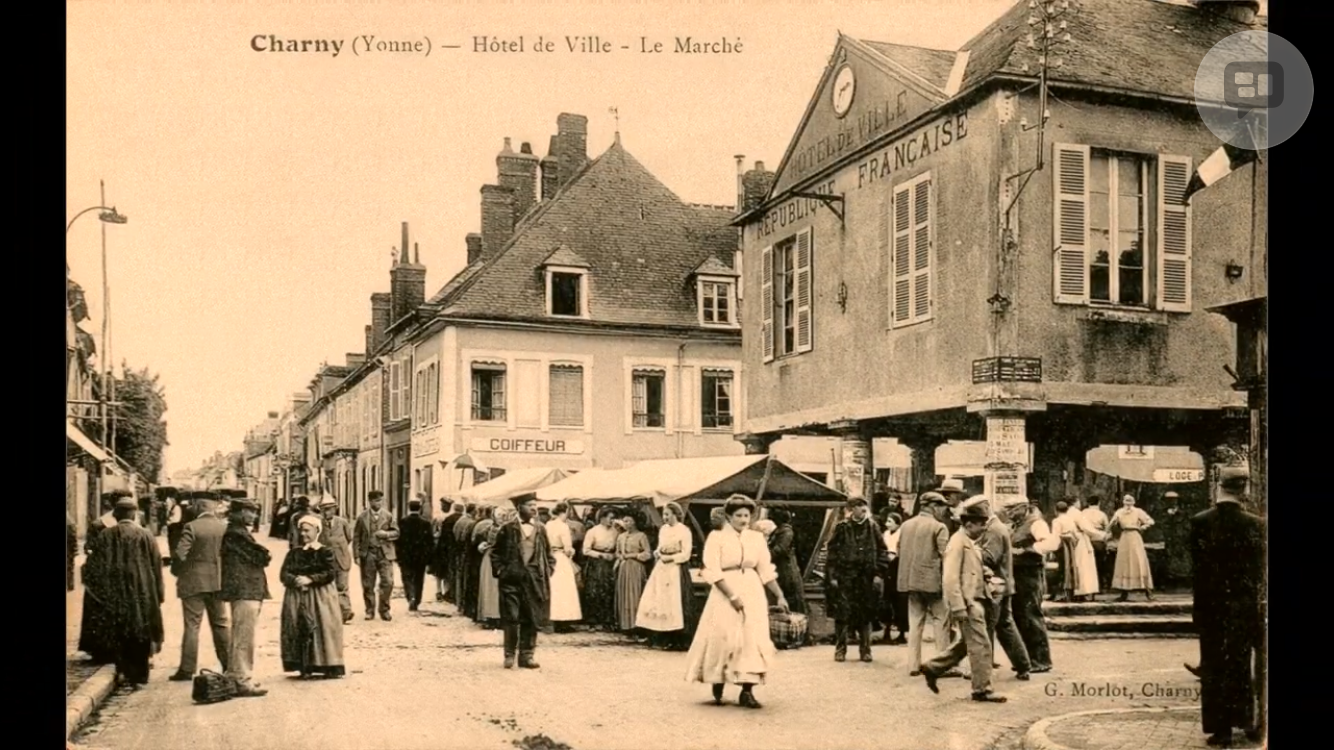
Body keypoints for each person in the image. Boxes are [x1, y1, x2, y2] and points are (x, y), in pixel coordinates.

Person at [685, 494, 788, 709]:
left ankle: (747, 690)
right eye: (739, 515)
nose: (743, 520)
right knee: (723, 635)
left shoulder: (756, 538)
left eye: (747, 515)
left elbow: (765, 569)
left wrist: (779, 594)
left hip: (752, 589)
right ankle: (718, 679)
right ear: (729, 517)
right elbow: (711, 570)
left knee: (751, 638)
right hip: (725, 589)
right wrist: (731, 596)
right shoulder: (717, 537)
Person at [1190, 467, 1265, 747]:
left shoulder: (1200, 522)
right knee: (1240, 664)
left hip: (1210, 606)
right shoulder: (1256, 524)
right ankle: (1246, 721)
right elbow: (1258, 571)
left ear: (1218, 488)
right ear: (1243, 491)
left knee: (1212, 667)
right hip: (1242, 605)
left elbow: (1197, 572)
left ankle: (1219, 730)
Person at [921, 497, 1006, 703]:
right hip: (968, 602)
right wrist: (958, 606)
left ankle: (934, 667)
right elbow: (950, 578)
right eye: (980, 525)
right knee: (981, 645)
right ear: (969, 524)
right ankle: (982, 689)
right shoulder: (958, 542)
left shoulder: (968, 542)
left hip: (976, 599)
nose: (983, 529)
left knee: (966, 644)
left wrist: (982, 572)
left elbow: (967, 570)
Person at [83, 497, 165, 688]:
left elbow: (96, 567)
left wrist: (100, 593)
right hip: (143, 591)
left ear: (116, 514)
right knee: (141, 630)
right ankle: (140, 675)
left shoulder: (106, 535)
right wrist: (159, 593)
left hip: (116, 592)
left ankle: (124, 670)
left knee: (120, 630)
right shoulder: (146, 535)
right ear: (134, 514)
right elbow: (156, 566)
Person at [168, 494, 232, 681]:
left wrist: (178, 572)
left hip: (193, 582)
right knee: (221, 625)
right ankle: (228, 665)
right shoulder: (224, 528)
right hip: (218, 583)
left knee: (192, 626)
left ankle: (187, 669)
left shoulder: (191, 527)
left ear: (200, 505)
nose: (191, 508)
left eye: (194, 505)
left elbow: (180, 554)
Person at [490, 497, 556, 669]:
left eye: (535, 505)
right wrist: (501, 570)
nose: (534, 508)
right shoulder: (507, 528)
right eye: (530, 505)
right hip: (511, 580)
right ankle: (509, 654)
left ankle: (527, 656)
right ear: (520, 507)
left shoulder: (541, 529)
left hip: (534, 580)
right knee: (511, 616)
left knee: (531, 617)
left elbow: (549, 553)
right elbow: (495, 552)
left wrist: (548, 570)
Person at [279, 515, 346, 679]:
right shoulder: (294, 553)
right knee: (296, 625)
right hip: (297, 595)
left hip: (320, 596)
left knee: (323, 626)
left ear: (317, 531)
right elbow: (284, 573)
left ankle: (325, 663)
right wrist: (295, 580)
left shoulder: (325, 551)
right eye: (301, 530)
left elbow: (330, 573)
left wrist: (311, 579)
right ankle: (302, 664)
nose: (303, 534)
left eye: (307, 530)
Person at [897, 492, 955, 678]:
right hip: (933, 582)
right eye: (942, 506)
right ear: (933, 506)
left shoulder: (906, 525)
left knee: (915, 623)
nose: (944, 510)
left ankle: (913, 665)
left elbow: (899, 549)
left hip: (909, 581)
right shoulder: (939, 527)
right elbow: (946, 555)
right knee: (941, 622)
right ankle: (941, 664)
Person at [826, 496, 889, 663]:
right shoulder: (842, 527)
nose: (863, 510)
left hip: (866, 578)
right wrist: (832, 576)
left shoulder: (872, 527)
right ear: (851, 509)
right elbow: (832, 553)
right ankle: (840, 650)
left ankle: (866, 650)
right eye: (859, 506)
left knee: (866, 614)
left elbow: (883, 551)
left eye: (864, 507)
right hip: (846, 577)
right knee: (843, 614)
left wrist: (878, 574)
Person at [219, 498, 271, 697]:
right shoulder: (236, 534)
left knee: (239, 634)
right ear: (240, 513)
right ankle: (243, 680)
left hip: (243, 590)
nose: (254, 516)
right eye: (251, 512)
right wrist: (265, 554)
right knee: (244, 637)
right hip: (245, 589)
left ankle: (235, 676)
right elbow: (262, 556)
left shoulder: (235, 532)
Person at [977, 496, 1032, 681]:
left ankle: (988, 668)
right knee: (1003, 625)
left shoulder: (993, 530)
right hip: (1002, 584)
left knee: (994, 626)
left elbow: (990, 557)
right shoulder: (997, 528)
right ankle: (1022, 665)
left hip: (996, 586)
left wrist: (971, 549)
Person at [637, 501, 698, 650]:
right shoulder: (663, 529)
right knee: (658, 600)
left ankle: (677, 638)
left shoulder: (684, 530)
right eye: (664, 514)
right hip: (661, 569)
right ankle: (659, 636)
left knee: (674, 601)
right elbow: (659, 546)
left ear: (675, 514)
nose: (665, 517)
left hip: (675, 569)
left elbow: (686, 553)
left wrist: (671, 558)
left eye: (667, 514)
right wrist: (658, 552)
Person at [1009, 498, 1060, 673]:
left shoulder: (1036, 523)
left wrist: (1028, 550)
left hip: (1030, 574)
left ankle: (1041, 660)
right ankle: (1026, 659)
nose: (1008, 512)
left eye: (1012, 508)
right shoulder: (1015, 525)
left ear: (1023, 507)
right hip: (1018, 575)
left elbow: (1052, 543)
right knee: (1019, 616)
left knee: (1031, 615)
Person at [78, 496, 120, 663]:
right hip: (103, 573)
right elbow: (90, 548)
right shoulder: (100, 525)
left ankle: (102, 649)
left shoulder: (100, 523)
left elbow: (88, 548)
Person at [354, 491, 399, 621]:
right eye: (374, 501)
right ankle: (369, 610)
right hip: (368, 553)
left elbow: (397, 533)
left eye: (379, 500)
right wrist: (356, 555)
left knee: (388, 582)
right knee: (368, 584)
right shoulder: (362, 517)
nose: (377, 503)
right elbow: (356, 537)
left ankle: (384, 609)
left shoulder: (388, 516)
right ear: (370, 502)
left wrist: (385, 534)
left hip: (385, 553)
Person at [1052, 500, 1102, 602]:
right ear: (1074, 503)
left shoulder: (1061, 518)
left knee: (1070, 568)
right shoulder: (1075, 514)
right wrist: (1101, 535)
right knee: (1080, 567)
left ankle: (1073, 593)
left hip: (1068, 543)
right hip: (1076, 542)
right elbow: (1085, 528)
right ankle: (1081, 592)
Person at [581, 507, 622, 632]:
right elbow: (586, 550)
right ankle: (592, 621)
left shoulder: (616, 532)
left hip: (610, 563)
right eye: (610, 518)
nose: (612, 521)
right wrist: (600, 555)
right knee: (594, 591)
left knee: (609, 590)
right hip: (596, 563)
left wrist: (613, 556)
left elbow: (619, 548)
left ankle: (607, 621)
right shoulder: (593, 531)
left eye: (613, 518)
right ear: (602, 518)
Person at [1110, 494, 1156, 601]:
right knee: (1124, 563)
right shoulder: (1119, 512)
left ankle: (1148, 591)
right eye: (1126, 500)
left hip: (1135, 537)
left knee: (1139, 561)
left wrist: (1143, 527)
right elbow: (1111, 523)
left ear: (1134, 502)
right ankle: (1124, 592)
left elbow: (1150, 521)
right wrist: (1113, 525)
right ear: (1123, 501)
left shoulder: (1138, 511)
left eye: (1130, 500)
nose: (1128, 503)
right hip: (1124, 537)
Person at [316, 498, 355, 623]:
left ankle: (345, 612)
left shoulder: (342, 522)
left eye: (329, 509)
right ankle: (330, 613)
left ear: (334, 509)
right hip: (326, 560)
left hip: (341, 559)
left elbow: (349, 538)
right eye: (324, 510)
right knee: (327, 586)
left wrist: (339, 548)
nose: (326, 512)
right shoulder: (318, 524)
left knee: (342, 585)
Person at [614, 510, 653, 636]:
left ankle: (637, 625)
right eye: (624, 521)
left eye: (629, 521)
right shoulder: (620, 536)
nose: (626, 523)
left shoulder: (641, 536)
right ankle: (625, 625)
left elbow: (648, 554)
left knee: (635, 595)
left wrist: (633, 555)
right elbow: (617, 552)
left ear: (635, 522)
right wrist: (620, 557)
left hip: (636, 568)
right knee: (623, 595)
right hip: (623, 568)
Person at [545, 503, 583, 631]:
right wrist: (572, 552)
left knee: (554, 589)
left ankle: (552, 620)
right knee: (565, 590)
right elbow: (568, 548)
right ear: (565, 512)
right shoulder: (563, 526)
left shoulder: (548, 525)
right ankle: (563, 621)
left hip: (550, 557)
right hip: (561, 558)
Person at [766, 508, 807, 616]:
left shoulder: (786, 532)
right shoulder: (780, 531)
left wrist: (763, 556)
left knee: (792, 600)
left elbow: (780, 550)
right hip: (782, 570)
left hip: (786, 571)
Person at [398, 498, 434, 612]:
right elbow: (430, 542)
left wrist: (398, 555)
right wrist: (429, 559)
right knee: (419, 579)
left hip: (406, 556)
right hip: (420, 557)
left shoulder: (402, 522)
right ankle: (417, 600)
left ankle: (410, 597)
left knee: (407, 578)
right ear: (420, 508)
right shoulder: (426, 524)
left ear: (409, 508)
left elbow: (398, 540)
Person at [880, 513, 909, 645]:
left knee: (900, 601)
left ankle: (902, 632)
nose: (887, 524)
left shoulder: (902, 534)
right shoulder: (886, 534)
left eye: (890, 521)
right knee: (887, 599)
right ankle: (886, 631)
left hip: (899, 565)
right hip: (887, 565)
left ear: (897, 524)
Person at [477, 508, 507, 627]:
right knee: (490, 587)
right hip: (490, 560)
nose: (501, 517)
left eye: (503, 515)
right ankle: (490, 617)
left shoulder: (509, 529)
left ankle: (502, 617)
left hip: (503, 560)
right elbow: (479, 540)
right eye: (499, 515)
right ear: (494, 516)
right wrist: (481, 545)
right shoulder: (488, 529)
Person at [431, 500, 462, 603]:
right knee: (443, 571)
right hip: (447, 547)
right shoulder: (448, 517)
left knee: (441, 571)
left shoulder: (441, 517)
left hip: (442, 546)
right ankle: (444, 591)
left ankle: (442, 591)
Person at [452, 504, 479, 616]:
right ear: (472, 511)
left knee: (459, 578)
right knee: (464, 578)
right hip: (465, 552)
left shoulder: (460, 521)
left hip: (458, 552)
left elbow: (455, 534)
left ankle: (459, 604)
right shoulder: (469, 522)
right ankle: (463, 605)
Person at [1082, 496, 1113, 590]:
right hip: (1099, 540)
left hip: (1085, 540)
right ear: (1099, 503)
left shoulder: (1083, 513)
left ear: (1088, 503)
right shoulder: (1102, 514)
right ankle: (1099, 586)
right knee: (1099, 564)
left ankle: (1087, 586)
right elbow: (1108, 529)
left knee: (1086, 565)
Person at [67, 511, 78, 592]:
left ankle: (70, 585)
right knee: (70, 567)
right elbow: (73, 538)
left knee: (69, 566)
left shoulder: (70, 522)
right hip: (69, 549)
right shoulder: (70, 522)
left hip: (68, 548)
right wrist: (75, 549)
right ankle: (70, 585)